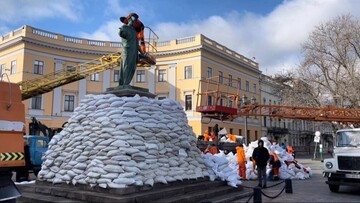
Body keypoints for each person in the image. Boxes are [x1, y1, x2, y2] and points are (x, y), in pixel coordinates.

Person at [118, 13, 141, 86]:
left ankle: (126, 82)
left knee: (132, 67)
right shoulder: (124, 28)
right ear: (128, 20)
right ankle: (123, 83)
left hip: (133, 51)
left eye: (133, 20)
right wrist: (121, 31)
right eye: (131, 20)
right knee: (126, 66)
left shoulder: (134, 31)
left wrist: (141, 52)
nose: (133, 21)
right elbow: (121, 34)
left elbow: (137, 44)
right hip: (127, 50)